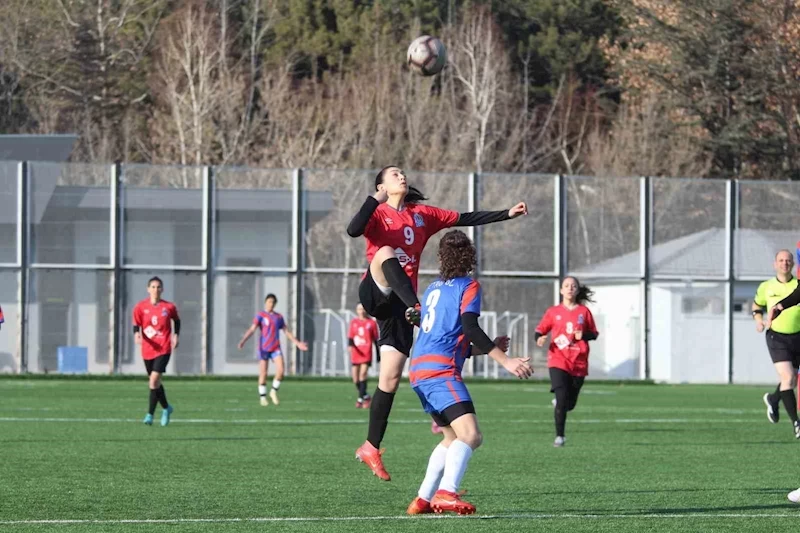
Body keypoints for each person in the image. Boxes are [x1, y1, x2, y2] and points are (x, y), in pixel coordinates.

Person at [347, 165, 527, 481]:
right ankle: (415, 306)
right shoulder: (376, 212)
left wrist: (506, 214)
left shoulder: (422, 215)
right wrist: (375, 199)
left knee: (390, 378)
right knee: (385, 251)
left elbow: (465, 218)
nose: (402, 176)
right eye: (394, 174)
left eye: (402, 173)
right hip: (377, 291)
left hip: (400, 307)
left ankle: (370, 447)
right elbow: (353, 229)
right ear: (381, 185)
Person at [405, 230, 533, 515]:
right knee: (472, 435)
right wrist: (505, 360)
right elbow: (470, 328)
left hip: (418, 370)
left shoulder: (433, 289)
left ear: (441, 257)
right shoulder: (469, 286)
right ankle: (446, 493)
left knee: (451, 438)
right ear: (470, 255)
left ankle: (423, 499)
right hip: (441, 373)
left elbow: (448, 338)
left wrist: (487, 349)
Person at [535, 276, 599, 447]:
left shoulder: (584, 312)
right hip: (558, 359)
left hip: (578, 362)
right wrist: (539, 338)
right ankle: (560, 436)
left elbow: (594, 334)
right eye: (566, 285)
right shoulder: (553, 312)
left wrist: (583, 335)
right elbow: (540, 330)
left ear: (577, 290)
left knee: (569, 404)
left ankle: (561, 403)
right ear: (561, 290)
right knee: (562, 398)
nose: (570, 288)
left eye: (573, 286)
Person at [756, 250, 800, 438]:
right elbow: (757, 306)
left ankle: (773, 399)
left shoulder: (797, 284)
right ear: (775, 264)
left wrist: (781, 305)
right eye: (781, 260)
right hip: (777, 337)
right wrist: (759, 320)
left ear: (793, 264)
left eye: (788, 260)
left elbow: (796, 296)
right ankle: (796, 423)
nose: (785, 263)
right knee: (788, 377)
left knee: (791, 381)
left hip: (797, 337)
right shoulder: (767, 286)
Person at [238, 294, 308, 406]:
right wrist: (243, 340)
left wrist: (297, 343)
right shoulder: (261, 315)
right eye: (269, 301)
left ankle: (273, 391)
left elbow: (286, 331)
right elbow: (252, 329)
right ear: (265, 302)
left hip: (275, 348)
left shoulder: (278, 317)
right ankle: (262, 398)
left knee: (281, 370)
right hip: (264, 348)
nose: (271, 304)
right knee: (263, 373)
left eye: (273, 302)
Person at [132, 277, 179, 427]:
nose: (156, 289)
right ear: (148, 289)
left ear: (162, 289)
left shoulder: (169, 307)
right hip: (147, 349)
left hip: (163, 348)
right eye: (153, 287)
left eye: (158, 287)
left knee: (153, 380)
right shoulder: (140, 307)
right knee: (155, 383)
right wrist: (136, 334)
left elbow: (177, 320)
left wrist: (175, 335)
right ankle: (166, 408)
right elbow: (136, 323)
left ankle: (150, 415)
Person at [348, 303, 379, 409]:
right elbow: (350, 337)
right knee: (355, 379)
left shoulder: (371, 323)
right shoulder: (354, 322)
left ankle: (360, 399)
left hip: (366, 353)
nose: (361, 311)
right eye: (359, 309)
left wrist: (378, 355)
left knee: (363, 375)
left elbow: (375, 340)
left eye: (362, 309)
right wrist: (350, 346)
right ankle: (366, 396)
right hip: (356, 353)